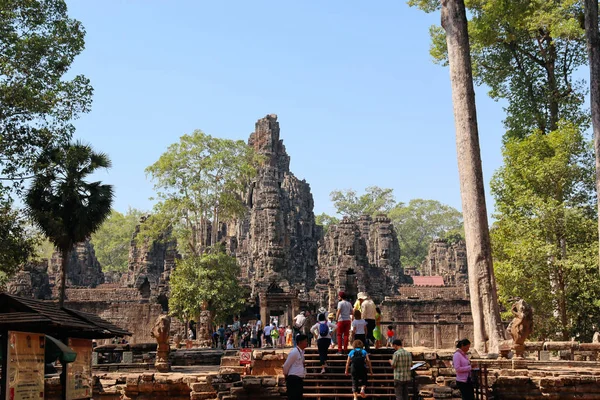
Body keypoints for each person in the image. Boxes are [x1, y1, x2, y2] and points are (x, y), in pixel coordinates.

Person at [283, 334, 308, 400]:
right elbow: (286, 365)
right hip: (293, 379)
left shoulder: (302, 352)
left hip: (299, 379)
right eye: (305, 341)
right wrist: (286, 375)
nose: (306, 343)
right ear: (300, 342)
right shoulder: (294, 352)